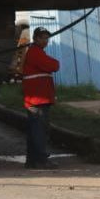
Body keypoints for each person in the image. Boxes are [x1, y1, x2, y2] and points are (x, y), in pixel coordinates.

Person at [21, 27, 60, 170]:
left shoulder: (36, 52)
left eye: (47, 38)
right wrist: (55, 63)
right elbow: (53, 65)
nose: (45, 41)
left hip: (36, 99)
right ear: (35, 38)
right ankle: (40, 160)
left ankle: (32, 161)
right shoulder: (35, 53)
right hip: (38, 100)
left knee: (34, 130)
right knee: (39, 131)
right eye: (42, 38)